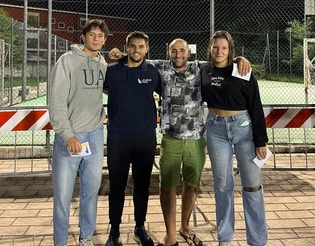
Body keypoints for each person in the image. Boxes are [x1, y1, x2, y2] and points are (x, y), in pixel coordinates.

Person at [108, 38, 250, 246]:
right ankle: (170, 234)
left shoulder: (201, 68)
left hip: (196, 140)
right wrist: (120, 56)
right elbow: (137, 58)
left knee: (191, 186)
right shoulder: (159, 68)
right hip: (170, 139)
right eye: (173, 51)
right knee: (167, 187)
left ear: (188, 52)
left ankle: (185, 227)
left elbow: (222, 61)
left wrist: (239, 58)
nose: (178, 55)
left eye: (182, 51)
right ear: (168, 53)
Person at [201, 30, 268, 246]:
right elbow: (175, 61)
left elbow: (255, 106)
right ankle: (225, 238)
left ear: (230, 50)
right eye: (216, 47)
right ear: (210, 48)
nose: (219, 51)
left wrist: (260, 141)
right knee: (222, 186)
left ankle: (257, 240)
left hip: (244, 130)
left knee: (252, 185)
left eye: (224, 48)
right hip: (215, 130)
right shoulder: (203, 71)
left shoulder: (242, 69)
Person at [48, 19, 108, 246]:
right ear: (83, 36)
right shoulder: (67, 61)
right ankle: (60, 242)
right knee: (63, 197)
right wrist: (68, 134)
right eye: (92, 34)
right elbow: (56, 101)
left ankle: (86, 238)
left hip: (94, 136)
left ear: (104, 39)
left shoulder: (102, 64)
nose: (96, 38)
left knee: (91, 192)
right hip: (70, 138)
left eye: (100, 35)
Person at [104, 31, 162, 246]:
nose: (136, 50)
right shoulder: (111, 71)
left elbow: (169, 88)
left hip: (145, 139)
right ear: (126, 47)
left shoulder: (153, 72)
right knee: (117, 185)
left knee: (142, 185)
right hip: (118, 139)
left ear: (147, 49)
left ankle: (139, 226)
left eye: (141, 47)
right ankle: (115, 230)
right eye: (132, 46)